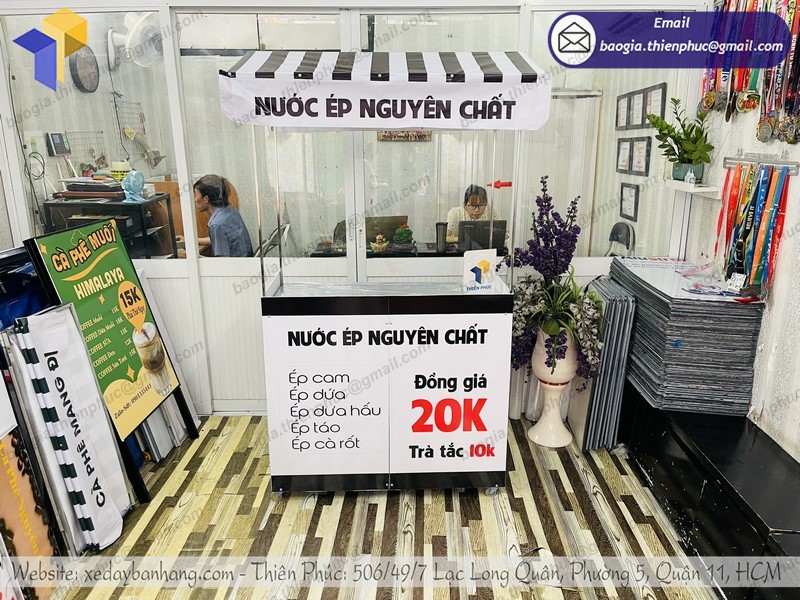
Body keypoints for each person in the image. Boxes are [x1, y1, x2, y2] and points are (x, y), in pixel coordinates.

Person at [177, 175, 254, 257]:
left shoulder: (216, 224)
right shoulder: (230, 211)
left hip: (235, 265)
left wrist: (188, 255)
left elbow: (220, 262)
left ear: (206, 199)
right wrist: (189, 240)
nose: (195, 199)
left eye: (196, 195)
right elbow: (220, 239)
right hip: (246, 261)